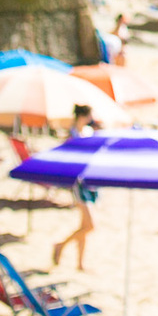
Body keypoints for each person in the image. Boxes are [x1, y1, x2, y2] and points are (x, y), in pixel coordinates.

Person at [52, 106, 100, 269]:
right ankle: (61, 245)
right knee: (91, 225)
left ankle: (80, 264)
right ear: (83, 116)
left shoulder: (88, 132)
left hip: (91, 182)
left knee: (84, 224)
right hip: (78, 183)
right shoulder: (71, 135)